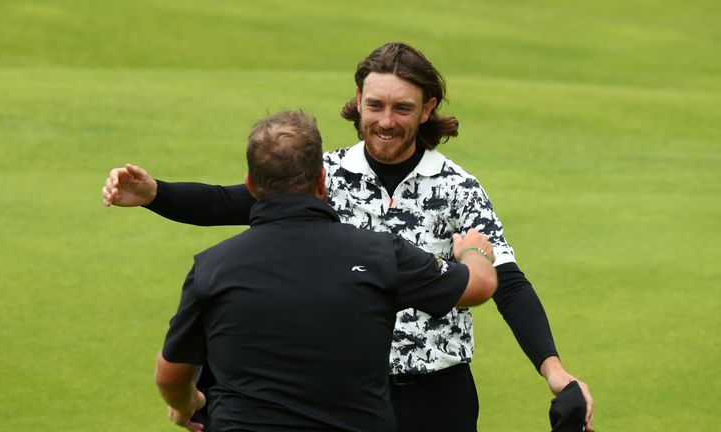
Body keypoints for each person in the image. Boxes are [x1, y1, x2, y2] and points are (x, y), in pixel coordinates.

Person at [105, 42, 593, 431]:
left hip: (436, 392)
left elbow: (505, 281)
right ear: (357, 102)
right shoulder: (322, 173)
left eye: (402, 107)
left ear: (427, 110)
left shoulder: (458, 187)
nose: (385, 120)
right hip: (339, 394)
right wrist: (155, 194)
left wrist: (555, 371)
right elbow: (226, 202)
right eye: (375, 104)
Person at [154, 110, 498, 432]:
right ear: (322, 181)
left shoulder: (212, 267)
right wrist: (473, 250)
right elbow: (478, 286)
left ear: (250, 185)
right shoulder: (381, 254)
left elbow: (170, 375)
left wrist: (189, 403)